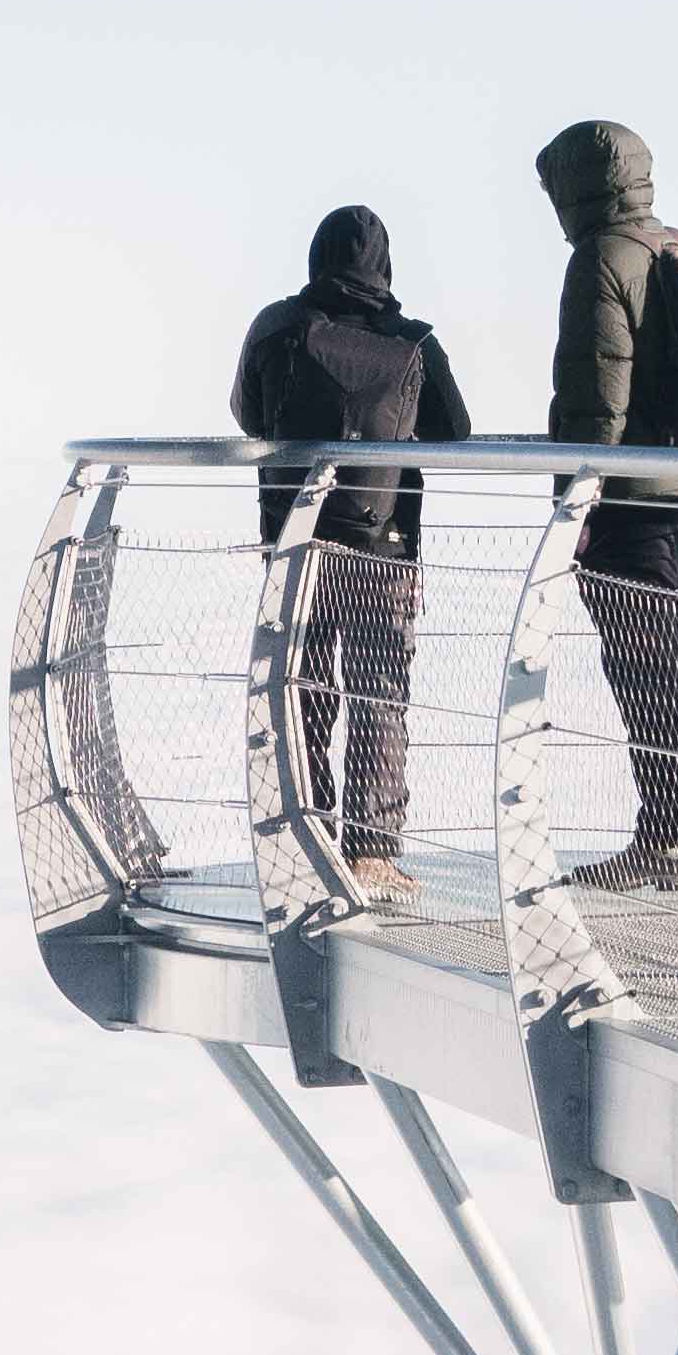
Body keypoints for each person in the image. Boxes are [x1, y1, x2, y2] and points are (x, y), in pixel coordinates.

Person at [231, 204, 471, 900]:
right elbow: (453, 428)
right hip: (382, 545)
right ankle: (371, 851)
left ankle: (302, 838)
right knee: (379, 695)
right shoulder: (414, 342)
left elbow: (247, 413)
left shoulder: (277, 326)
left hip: (295, 542)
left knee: (299, 693)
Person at [533, 118, 678, 891]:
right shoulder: (675, 243)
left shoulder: (601, 258)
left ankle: (664, 837)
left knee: (641, 663)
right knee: (673, 655)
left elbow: (597, 397)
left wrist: (575, 505)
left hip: (624, 497)